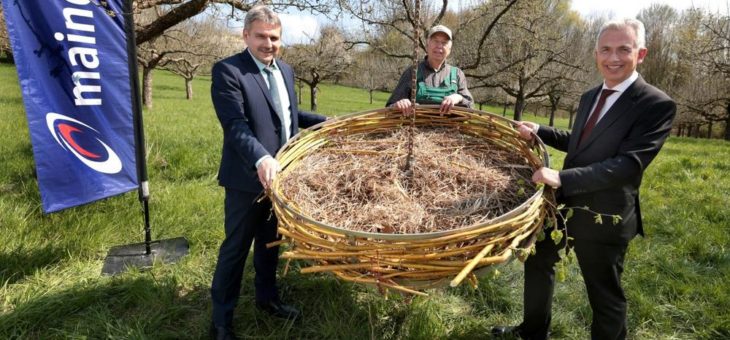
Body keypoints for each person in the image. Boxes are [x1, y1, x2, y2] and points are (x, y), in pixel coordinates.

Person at [491, 18, 676, 339]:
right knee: (538, 261)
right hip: (562, 207)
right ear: (596, 53)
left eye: (623, 49)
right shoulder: (591, 96)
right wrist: (541, 131)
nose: (613, 57)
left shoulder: (655, 104)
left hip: (606, 214)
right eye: (605, 49)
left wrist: (561, 177)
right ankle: (533, 332)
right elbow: (580, 140)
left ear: (641, 54)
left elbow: (628, 165)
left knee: (604, 294)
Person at [209, 5, 327, 340]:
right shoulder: (229, 71)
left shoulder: (286, 71)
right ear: (246, 35)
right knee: (236, 249)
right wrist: (261, 158)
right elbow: (235, 125)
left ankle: (267, 299)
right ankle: (221, 322)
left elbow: (287, 113)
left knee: (270, 242)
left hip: (284, 178)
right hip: (248, 179)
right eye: (261, 36)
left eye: (274, 37)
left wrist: (325, 123)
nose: (268, 43)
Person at [386, 24, 474, 114]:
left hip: (451, 127)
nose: (439, 46)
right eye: (435, 41)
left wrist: (458, 97)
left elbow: (470, 107)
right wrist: (399, 104)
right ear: (427, 45)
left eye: (444, 43)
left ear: (449, 49)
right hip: (416, 127)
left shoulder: (457, 74)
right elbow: (389, 109)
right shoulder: (412, 72)